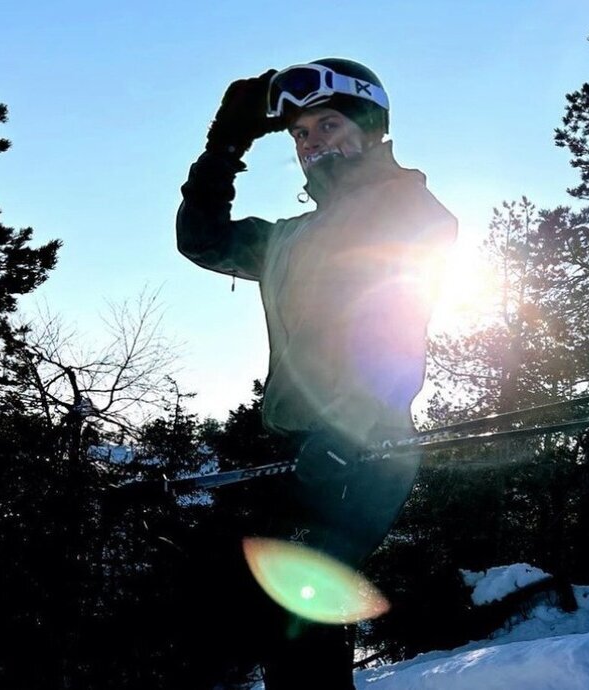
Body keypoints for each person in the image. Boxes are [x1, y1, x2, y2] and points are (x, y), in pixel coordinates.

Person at [176, 58, 457, 689]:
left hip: (367, 448)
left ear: (370, 129)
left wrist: (346, 431)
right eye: (301, 134)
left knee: (302, 618)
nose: (312, 144)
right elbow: (202, 239)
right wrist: (224, 146)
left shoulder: (404, 208)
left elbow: (394, 321)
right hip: (297, 447)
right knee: (254, 615)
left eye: (328, 125)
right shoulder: (289, 238)